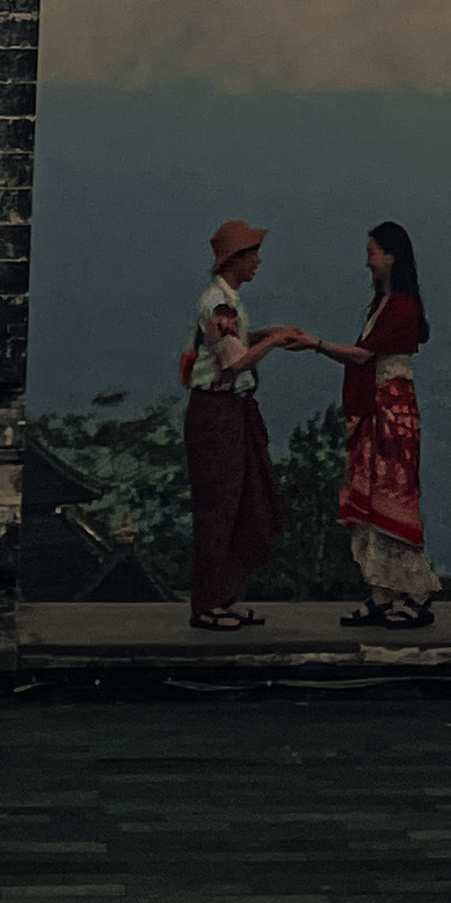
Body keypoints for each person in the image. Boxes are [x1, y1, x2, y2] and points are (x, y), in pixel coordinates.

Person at [294, 220, 438, 629]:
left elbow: (363, 356)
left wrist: (316, 344)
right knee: (373, 500)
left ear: (391, 257)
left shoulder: (403, 305)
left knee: (393, 498)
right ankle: (383, 593)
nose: (368, 260)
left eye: (373, 251)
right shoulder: (385, 302)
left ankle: (414, 593)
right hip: (379, 405)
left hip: (389, 410)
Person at [184, 215, 303, 630]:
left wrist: (272, 332)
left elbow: (233, 341)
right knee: (219, 507)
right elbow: (234, 363)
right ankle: (208, 603)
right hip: (218, 413)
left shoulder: (227, 301)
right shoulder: (218, 302)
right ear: (236, 259)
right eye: (253, 254)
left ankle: (225, 596)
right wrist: (272, 342)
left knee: (240, 505)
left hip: (229, 412)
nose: (258, 262)